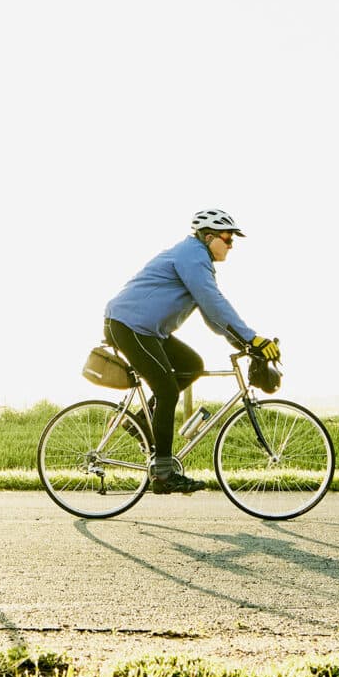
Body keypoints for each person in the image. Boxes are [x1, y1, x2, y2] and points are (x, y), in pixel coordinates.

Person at [102, 209, 281, 494]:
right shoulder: (193, 256)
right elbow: (213, 302)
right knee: (168, 391)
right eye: (228, 238)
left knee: (192, 364)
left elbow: (212, 316)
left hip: (146, 330)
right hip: (130, 326)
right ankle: (162, 473)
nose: (231, 245)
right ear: (208, 236)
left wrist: (244, 344)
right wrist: (252, 337)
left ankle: (138, 422)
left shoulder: (197, 259)